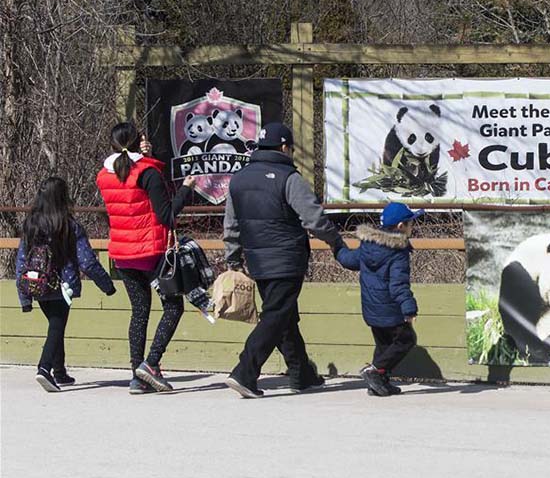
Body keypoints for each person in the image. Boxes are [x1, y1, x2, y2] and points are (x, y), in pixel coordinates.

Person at [223, 122, 345, 398]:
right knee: (276, 316)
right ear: (284, 147)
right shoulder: (288, 177)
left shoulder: (238, 179)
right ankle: (244, 372)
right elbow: (313, 218)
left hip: (256, 259)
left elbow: (231, 224)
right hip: (287, 258)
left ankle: (302, 374)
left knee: (284, 316)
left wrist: (233, 258)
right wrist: (336, 242)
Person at [96, 122, 195, 394]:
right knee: (173, 308)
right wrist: (186, 189)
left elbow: (130, 182)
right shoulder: (148, 172)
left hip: (123, 254)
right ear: (136, 143)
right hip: (151, 253)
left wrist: (147, 158)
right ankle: (151, 363)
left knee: (139, 311)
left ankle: (137, 376)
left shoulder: (104, 175)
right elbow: (167, 215)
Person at [15, 177, 117, 392]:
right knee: (56, 326)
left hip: (36, 284)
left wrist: (24, 297)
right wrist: (107, 285)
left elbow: (21, 260)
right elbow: (87, 261)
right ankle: (44, 368)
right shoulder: (69, 225)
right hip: (62, 286)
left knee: (55, 325)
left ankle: (59, 371)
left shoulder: (31, 224)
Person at [335, 202, 421, 397]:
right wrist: (409, 307)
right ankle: (373, 372)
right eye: (410, 223)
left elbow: (349, 260)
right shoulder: (397, 251)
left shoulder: (368, 245)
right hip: (390, 309)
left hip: (371, 309)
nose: (412, 227)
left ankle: (378, 384)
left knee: (384, 345)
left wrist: (337, 247)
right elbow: (398, 284)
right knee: (406, 340)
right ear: (401, 226)